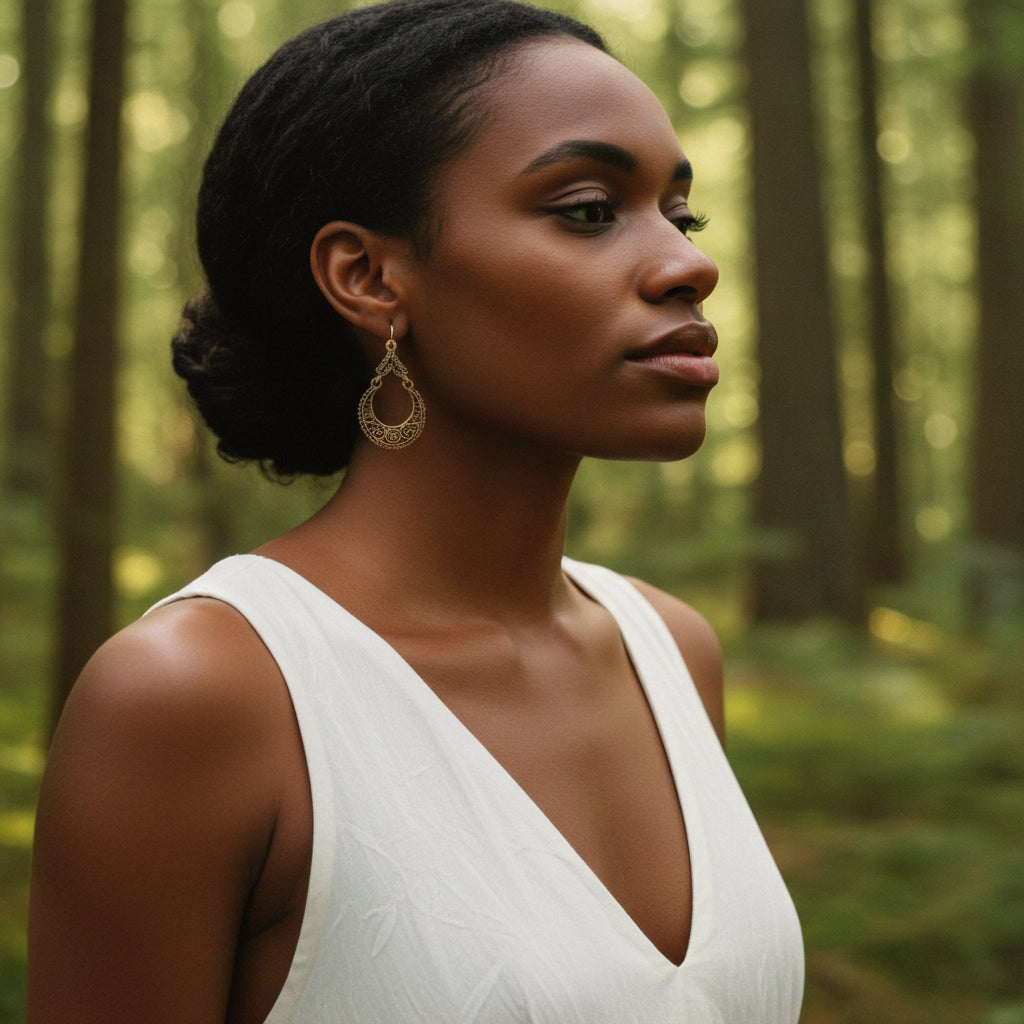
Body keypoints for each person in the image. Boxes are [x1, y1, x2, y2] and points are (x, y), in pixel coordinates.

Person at [27, 1, 804, 1021]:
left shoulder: (668, 650)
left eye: (679, 213)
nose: (687, 264)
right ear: (369, 276)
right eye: (585, 208)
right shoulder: (200, 696)